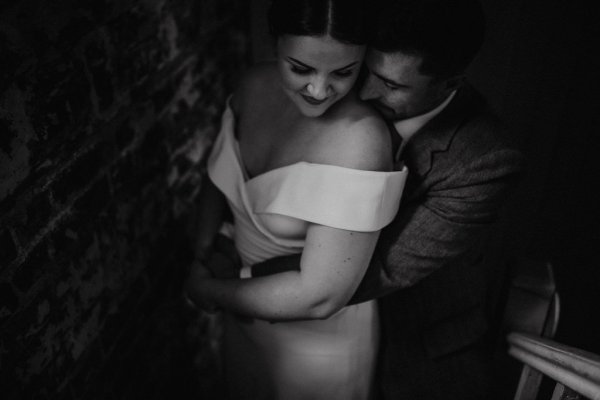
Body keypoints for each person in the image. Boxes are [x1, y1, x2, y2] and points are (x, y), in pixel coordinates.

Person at [217, 0, 526, 399]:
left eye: (392, 85)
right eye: (365, 70)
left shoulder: (486, 159)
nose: (364, 90)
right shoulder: (334, 90)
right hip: (292, 317)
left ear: (450, 84)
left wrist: (239, 279)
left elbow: (383, 266)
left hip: (415, 334)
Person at [184, 0, 407, 399]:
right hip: (241, 316)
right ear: (275, 43)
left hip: (316, 347)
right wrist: (203, 253)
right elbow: (217, 178)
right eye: (300, 68)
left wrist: (211, 291)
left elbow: (320, 296)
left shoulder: (362, 140)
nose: (320, 90)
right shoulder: (251, 86)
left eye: (344, 72)